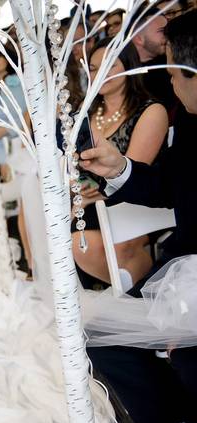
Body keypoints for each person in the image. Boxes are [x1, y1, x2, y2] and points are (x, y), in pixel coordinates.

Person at [78, 10, 197, 423]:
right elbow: (171, 187)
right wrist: (120, 168)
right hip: (185, 270)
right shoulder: (188, 120)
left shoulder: (158, 111)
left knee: (188, 359)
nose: (169, 80)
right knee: (100, 336)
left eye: (172, 69)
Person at [72, 37, 169, 288]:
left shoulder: (151, 110)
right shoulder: (87, 111)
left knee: (100, 245)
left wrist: (87, 196)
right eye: (93, 68)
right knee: (75, 240)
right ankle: (124, 295)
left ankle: (143, 292)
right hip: (89, 198)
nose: (101, 72)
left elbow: (131, 174)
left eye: (110, 65)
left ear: (128, 66)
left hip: (138, 198)